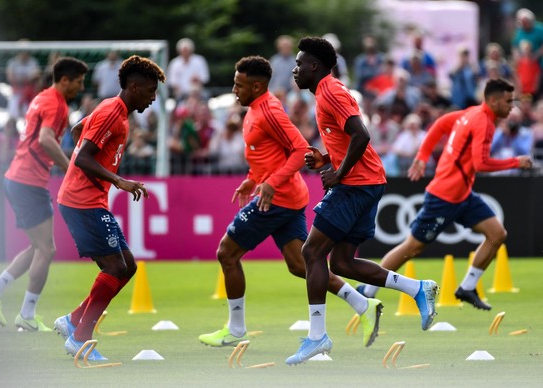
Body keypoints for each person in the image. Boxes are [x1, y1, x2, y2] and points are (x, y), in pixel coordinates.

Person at [198, 56, 384, 350]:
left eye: (239, 85)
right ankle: (363, 304)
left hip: (277, 199)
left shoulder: (270, 109)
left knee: (227, 253)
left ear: (257, 86)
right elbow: (267, 154)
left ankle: (235, 329)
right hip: (288, 197)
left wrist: (270, 183)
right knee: (301, 265)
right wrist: (253, 177)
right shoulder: (254, 109)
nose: (234, 90)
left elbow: (300, 149)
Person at [286, 37, 438, 366]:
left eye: (299, 64)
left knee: (311, 253)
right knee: (341, 263)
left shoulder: (331, 91)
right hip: (366, 182)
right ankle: (418, 288)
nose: (294, 70)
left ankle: (317, 337)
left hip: (356, 184)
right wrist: (326, 158)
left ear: (314, 67)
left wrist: (338, 172)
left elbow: (362, 134)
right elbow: (349, 138)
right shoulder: (325, 92)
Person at [359, 79, 533, 310]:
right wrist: (515, 162)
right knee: (411, 247)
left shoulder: (471, 113)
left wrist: (422, 156)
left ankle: (467, 288)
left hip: (462, 195)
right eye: (508, 101)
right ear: (493, 100)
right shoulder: (483, 122)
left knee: (496, 234)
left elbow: (440, 124)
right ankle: (367, 291)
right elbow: (480, 163)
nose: (512, 106)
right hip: (443, 197)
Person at [53, 55, 165, 361]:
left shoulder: (113, 110)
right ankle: (80, 337)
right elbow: (83, 157)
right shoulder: (112, 112)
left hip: (90, 200)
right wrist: (119, 180)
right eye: (150, 90)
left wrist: (90, 148)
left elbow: (79, 131)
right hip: (81, 201)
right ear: (133, 86)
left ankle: (74, 320)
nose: (153, 97)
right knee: (115, 267)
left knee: (127, 267)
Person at [0, 57, 88, 331]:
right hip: (27, 180)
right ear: (64, 80)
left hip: (19, 178)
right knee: (46, 249)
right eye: (79, 82)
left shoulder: (42, 97)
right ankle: (25, 314)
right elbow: (45, 139)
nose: (81, 88)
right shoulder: (56, 103)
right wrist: (70, 167)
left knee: (38, 248)